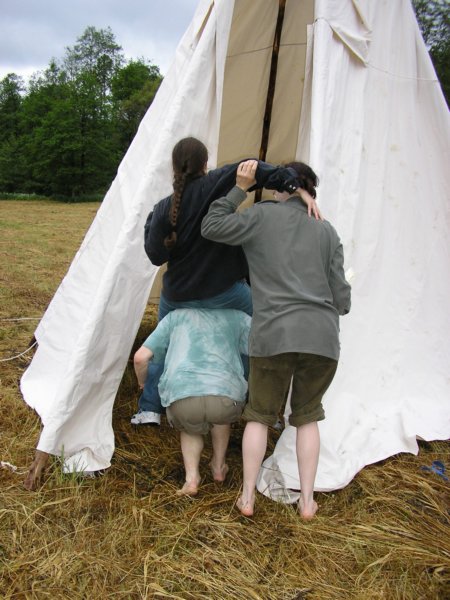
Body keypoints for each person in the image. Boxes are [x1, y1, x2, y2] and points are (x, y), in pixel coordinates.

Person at [131, 137, 320, 425]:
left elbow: (155, 256)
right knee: (261, 334)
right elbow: (255, 168)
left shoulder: (163, 209)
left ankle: (149, 410)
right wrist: (296, 187)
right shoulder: (216, 182)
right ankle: (255, 403)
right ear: (205, 164)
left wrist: (151, 223)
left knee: (161, 344)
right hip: (225, 292)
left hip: (178, 295)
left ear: (174, 168)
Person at [201, 160, 351, 519]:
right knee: (308, 417)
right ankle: (307, 502)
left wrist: (239, 188)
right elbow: (342, 300)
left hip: (273, 334)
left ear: (277, 187)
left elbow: (211, 225)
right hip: (321, 338)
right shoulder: (327, 230)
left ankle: (247, 498)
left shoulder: (261, 217)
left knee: (259, 416)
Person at [133, 307, 251, 495]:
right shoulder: (237, 316)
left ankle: (192, 479)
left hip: (183, 394)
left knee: (190, 427)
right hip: (226, 396)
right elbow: (262, 346)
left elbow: (140, 358)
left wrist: (142, 382)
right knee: (221, 417)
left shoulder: (174, 317)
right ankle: (219, 466)